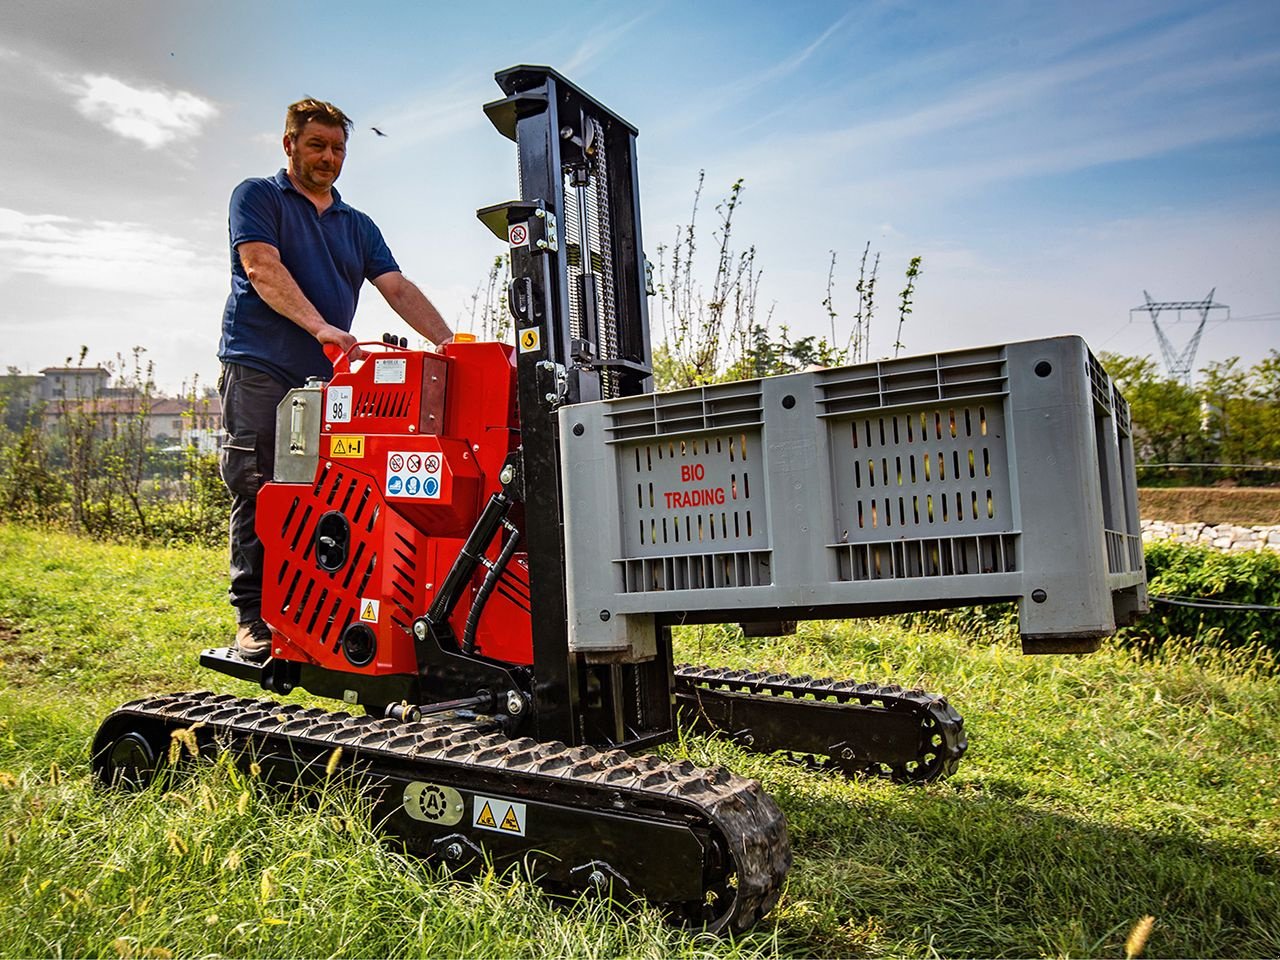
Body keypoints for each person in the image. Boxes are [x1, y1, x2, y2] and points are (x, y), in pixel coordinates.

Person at [217, 97, 452, 661]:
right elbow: (261, 269)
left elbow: (395, 286)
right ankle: (254, 618)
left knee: (325, 497)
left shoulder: (356, 225)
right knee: (261, 486)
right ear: (289, 144)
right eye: (317, 145)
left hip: (328, 381)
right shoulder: (259, 197)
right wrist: (322, 326)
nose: (328, 158)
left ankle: (310, 612)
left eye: (338, 148)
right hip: (261, 367)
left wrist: (451, 344)